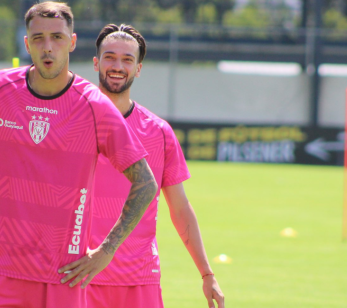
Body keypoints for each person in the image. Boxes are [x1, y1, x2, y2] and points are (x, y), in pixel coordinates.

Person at [0, 2, 157, 307]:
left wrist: (107, 249)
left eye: (57, 38)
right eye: (38, 38)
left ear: (71, 41)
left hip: (63, 276)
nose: (48, 47)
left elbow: (146, 182)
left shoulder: (94, 106)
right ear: (27, 43)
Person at [87, 24, 225, 308]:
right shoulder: (72, 123)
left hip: (140, 282)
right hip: (82, 275)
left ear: (138, 68)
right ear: (96, 62)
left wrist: (207, 273)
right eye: (110, 57)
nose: (117, 66)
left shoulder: (159, 132)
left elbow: (180, 208)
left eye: (127, 59)